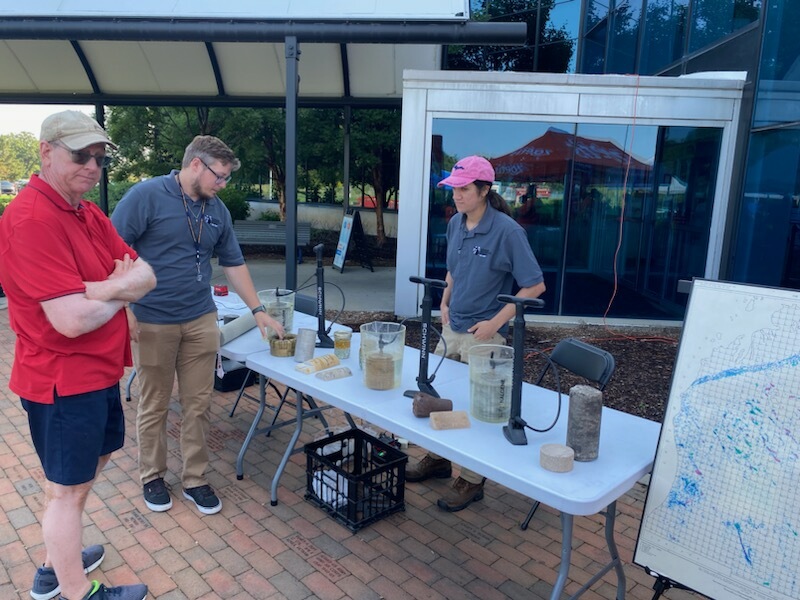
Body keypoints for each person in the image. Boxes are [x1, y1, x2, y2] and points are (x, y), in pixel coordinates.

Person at [0, 110, 156, 600]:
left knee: (87, 472)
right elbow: (69, 321)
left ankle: (56, 556)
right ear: (46, 151)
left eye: (99, 157)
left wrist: (99, 288)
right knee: (67, 492)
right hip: (61, 380)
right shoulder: (30, 217)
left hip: (98, 373)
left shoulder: (85, 211)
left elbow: (147, 274)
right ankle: (71, 589)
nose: (93, 166)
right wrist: (119, 286)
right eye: (80, 155)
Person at [111, 135, 285, 516]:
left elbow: (233, 263)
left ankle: (195, 478)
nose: (222, 185)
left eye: (225, 179)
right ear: (195, 165)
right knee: (154, 403)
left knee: (199, 403)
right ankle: (152, 476)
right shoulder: (146, 197)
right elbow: (112, 251)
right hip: (152, 318)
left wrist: (258, 309)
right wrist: (124, 310)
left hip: (201, 318)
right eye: (219, 176)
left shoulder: (216, 209)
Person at [406, 155, 546, 512]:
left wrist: (495, 324)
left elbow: (533, 287)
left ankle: (471, 479)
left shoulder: (508, 231)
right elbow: (453, 270)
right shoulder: (456, 224)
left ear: (485, 190)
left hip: (485, 338)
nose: (456, 195)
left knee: (475, 410)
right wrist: (446, 302)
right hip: (452, 328)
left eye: (464, 189)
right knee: (436, 397)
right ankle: (439, 459)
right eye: (453, 188)